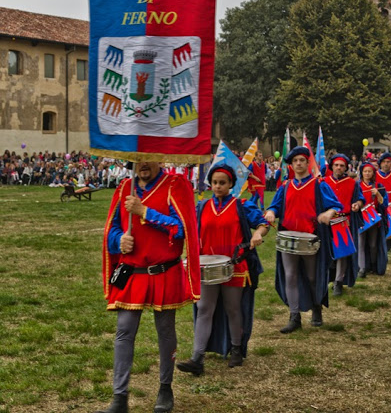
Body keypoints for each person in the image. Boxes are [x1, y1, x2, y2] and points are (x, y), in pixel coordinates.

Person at [98, 161, 201, 413]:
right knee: (124, 331)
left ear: (157, 158)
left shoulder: (176, 185)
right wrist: (118, 240)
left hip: (164, 271)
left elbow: (181, 229)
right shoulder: (124, 187)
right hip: (132, 272)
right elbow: (112, 229)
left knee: (165, 330)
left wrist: (145, 212)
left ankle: (165, 388)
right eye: (138, 158)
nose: (143, 164)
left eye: (148, 157)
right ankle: (119, 398)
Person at [176, 163, 269, 375]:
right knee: (204, 309)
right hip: (207, 267)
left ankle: (236, 347)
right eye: (215, 182)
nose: (218, 186)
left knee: (233, 309)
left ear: (231, 185)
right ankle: (197, 358)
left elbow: (263, 224)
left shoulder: (241, 205)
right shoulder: (201, 206)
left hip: (234, 265)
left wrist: (258, 234)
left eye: (222, 183)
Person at [265, 147, 343, 333]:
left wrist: (328, 213)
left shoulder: (319, 185)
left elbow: (335, 205)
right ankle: (294, 316)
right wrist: (270, 213)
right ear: (291, 165)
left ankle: (317, 307)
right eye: (295, 161)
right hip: (289, 238)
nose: (298, 163)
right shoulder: (285, 186)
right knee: (290, 275)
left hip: (311, 239)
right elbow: (274, 206)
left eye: (302, 160)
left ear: (308, 163)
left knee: (312, 276)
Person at [323, 154, 365, 296]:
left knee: (342, 253)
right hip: (327, 223)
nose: (339, 167)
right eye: (336, 165)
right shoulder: (324, 182)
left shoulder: (353, 183)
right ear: (332, 166)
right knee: (327, 252)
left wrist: (357, 205)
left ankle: (338, 282)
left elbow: (360, 199)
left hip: (344, 222)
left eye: (342, 165)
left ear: (346, 167)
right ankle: (325, 279)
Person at [357, 163, 389, 277]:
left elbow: (384, 203)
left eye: (369, 171)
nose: (367, 173)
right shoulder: (357, 185)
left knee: (373, 244)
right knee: (360, 243)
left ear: (373, 173)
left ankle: (374, 265)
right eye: (365, 171)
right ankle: (362, 268)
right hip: (360, 219)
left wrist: (378, 194)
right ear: (361, 172)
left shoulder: (378, 185)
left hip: (374, 220)